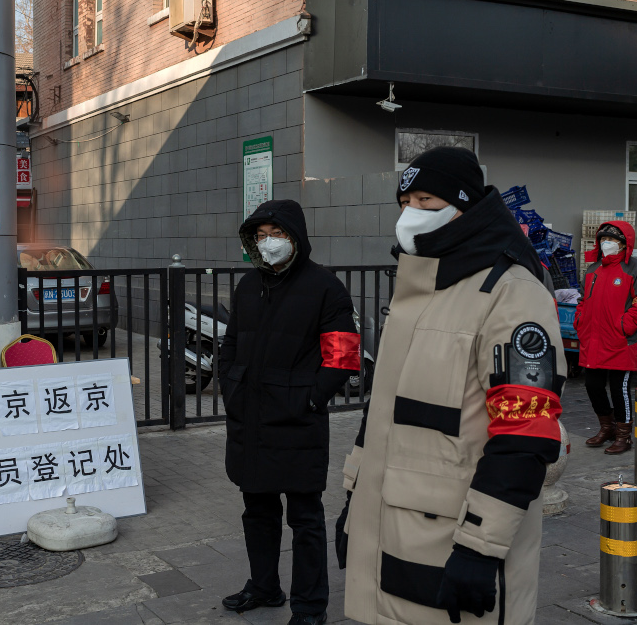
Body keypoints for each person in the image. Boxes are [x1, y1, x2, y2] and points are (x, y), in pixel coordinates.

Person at [338, 147, 565, 624]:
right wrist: (354, 502)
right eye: (405, 202)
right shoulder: (419, 287)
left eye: (426, 200)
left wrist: (482, 548)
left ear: (466, 208)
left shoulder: (513, 292)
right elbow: (382, 414)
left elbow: (525, 435)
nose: (411, 215)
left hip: (457, 543)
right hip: (392, 531)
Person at [219, 199, 358, 625]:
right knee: (257, 512)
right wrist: (232, 390)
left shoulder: (325, 287)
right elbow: (230, 347)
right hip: (251, 421)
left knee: (305, 520)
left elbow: (342, 359)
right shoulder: (247, 286)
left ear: (295, 237)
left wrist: (309, 400)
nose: (269, 243)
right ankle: (264, 587)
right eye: (260, 237)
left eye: (276, 234)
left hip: (298, 423)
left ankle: (310, 608)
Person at [574, 222, 637, 454]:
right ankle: (606, 427)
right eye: (602, 240)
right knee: (593, 386)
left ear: (623, 244)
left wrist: (624, 326)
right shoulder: (592, 270)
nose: (605, 244)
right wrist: (580, 321)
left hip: (620, 341)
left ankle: (623, 435)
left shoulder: (635, 269)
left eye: (612, 240)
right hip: (594, 340)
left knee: (620, 389)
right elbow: (582, 300)